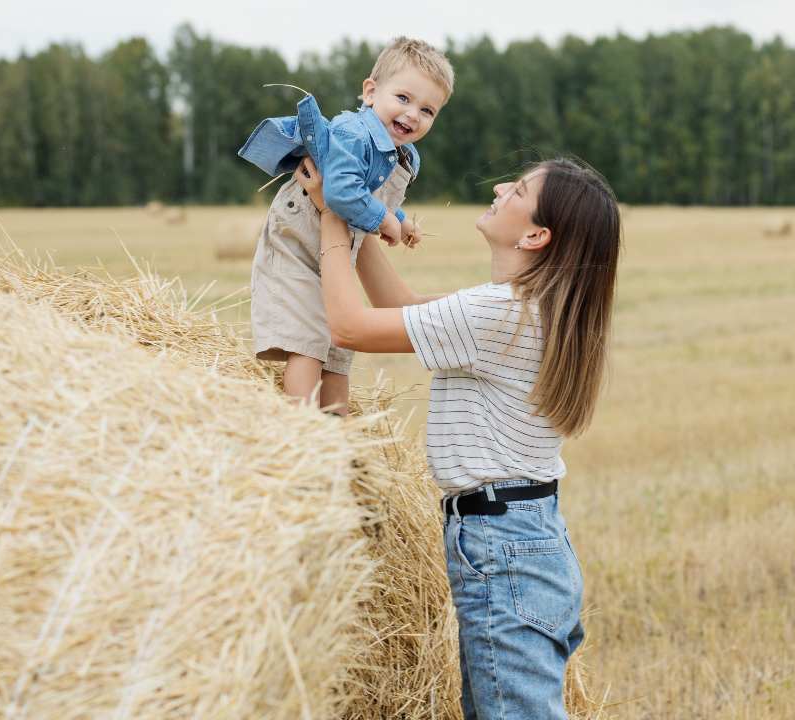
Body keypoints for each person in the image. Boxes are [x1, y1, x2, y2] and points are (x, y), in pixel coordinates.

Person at [293, 154, 622, 719]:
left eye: (517, 189)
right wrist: (358, 217)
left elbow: (351, 325)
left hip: (504, 547)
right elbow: (404, 311)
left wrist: (327, 217)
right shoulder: (521, 310)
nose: (498, 186)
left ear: (536, 234)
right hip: (519, 538)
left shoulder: (501, 312)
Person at [237, 37, 454, 413]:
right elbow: (340, 192)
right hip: (297, 240)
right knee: (308, 341)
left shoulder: (403, 155)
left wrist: (400, 222)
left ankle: (338, 433)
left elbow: (376, 197)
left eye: (427, 110)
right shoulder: (354, 133)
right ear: (371, 91)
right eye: (403, 98)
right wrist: (384, 219)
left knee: (339, 345)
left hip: (334, 248)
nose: (413, 115)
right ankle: (299, 430)